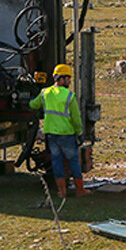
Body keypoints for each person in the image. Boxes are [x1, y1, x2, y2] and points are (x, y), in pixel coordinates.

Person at [29, 64, 87, 198]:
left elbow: (34, 105)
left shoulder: (45, 93)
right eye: (68, 78)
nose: (69, 81)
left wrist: (27, 99)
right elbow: (76, 118)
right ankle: (80, 190)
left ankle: (62, 192)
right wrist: (79, 133)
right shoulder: (69, 96)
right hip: (67, 134)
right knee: (73, 161)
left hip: (51, 135)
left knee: (57, 162)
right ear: (62, 78)